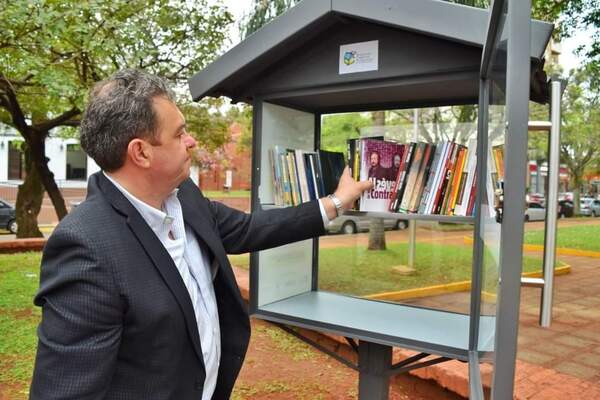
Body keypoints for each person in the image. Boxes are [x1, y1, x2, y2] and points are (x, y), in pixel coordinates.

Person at [29, 69, 372, 400]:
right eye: (179, 134)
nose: (191, 142)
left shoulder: (183, 196)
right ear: (141, 152)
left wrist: (337, 202)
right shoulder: (86, 247)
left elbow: (248, 229)